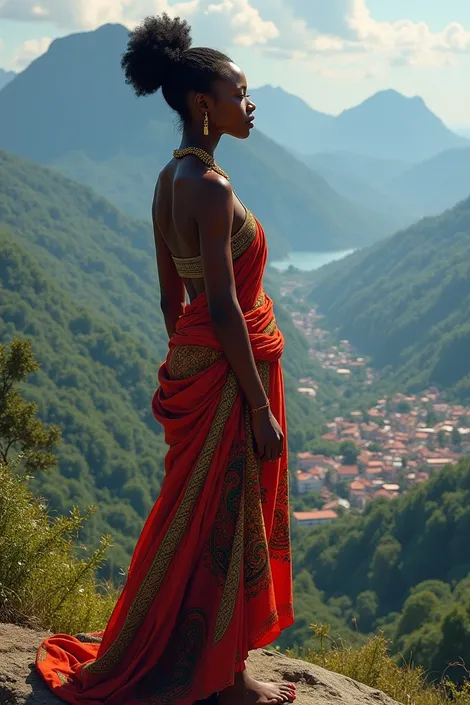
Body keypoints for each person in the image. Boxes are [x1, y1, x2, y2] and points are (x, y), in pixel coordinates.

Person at [35, 13, 294, 705]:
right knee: (226, 515)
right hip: (229, 373)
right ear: (202, 105)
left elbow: (169, 301)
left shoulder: (165, 182)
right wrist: (258, 405)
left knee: (194, 515)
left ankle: (207, 658)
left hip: (194, 365)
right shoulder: (211, 190)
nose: (250, 103)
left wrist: (188, 370)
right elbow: (221, 306)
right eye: (240, 92)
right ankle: (227, 678)